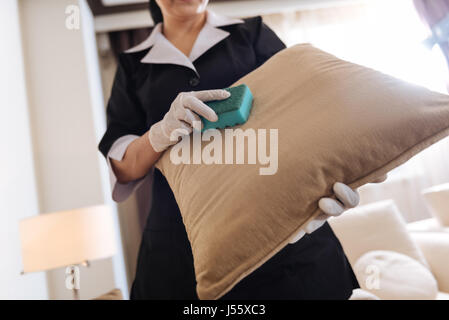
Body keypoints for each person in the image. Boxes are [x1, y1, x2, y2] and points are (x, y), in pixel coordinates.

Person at [98, 0, 381, 300]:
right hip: (179, 247)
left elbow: (305, 109)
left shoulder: (253, 34)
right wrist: (159, 134)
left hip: (283, 229)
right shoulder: (133, 65)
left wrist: (333, 173)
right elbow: (124, 166)